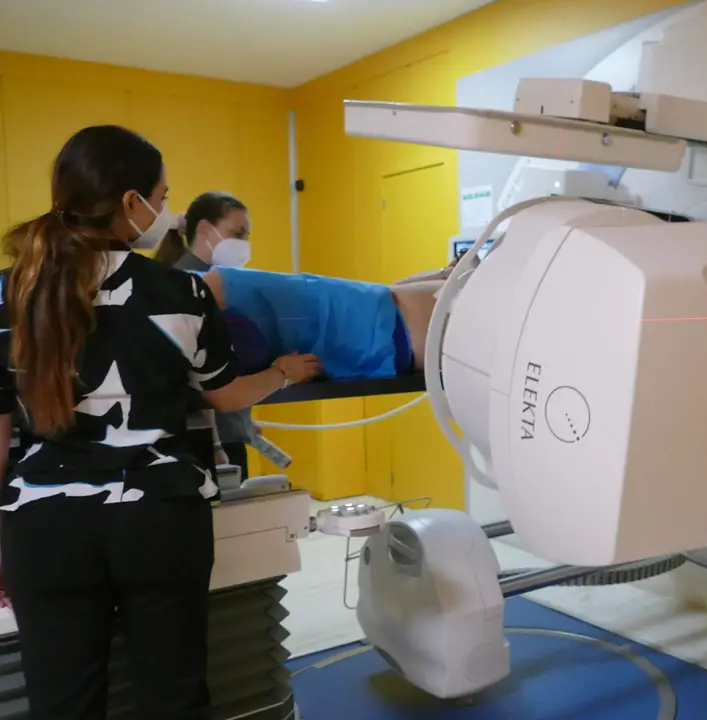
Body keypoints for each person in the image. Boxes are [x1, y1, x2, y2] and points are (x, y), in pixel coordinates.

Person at [0, 125, 322, 719]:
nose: (166, 213)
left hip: (44, 526)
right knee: (173, 697)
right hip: (158, 518)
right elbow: (225, 395)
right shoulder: (182, 293)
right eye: (162, 197)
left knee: (61, 706)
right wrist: (282, 372)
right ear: (131, 203)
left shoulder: (11, 293)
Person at [197, 258, 454, 381]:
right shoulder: (208, 295)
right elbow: (223, 396)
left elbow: (381, 292)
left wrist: (445, 273)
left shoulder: (209, 288)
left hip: (389, 317)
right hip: (398, 336)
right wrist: (277, 376)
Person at [155, 192, 257, 479]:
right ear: (204, 230)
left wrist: (242, 423)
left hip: (225, 431)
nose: (244, 244)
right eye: (237, 233)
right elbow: (194, 372)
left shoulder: (217, 281)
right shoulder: (187, 285)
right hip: (204, 440)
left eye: (246, 236)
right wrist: (215, 444)